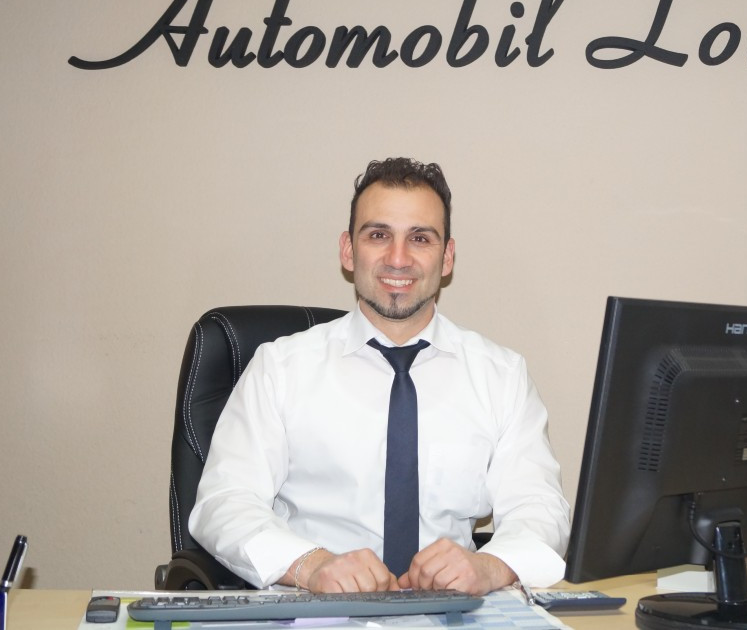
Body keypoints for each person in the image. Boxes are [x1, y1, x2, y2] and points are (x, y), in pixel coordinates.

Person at [189, 158, 570, 595]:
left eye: (420, 238)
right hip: (314, 608)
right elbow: (223, 503)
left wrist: (491, 566)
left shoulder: (501, 377)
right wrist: (311, 566)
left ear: (447, 257)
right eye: (378, 235)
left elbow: (540, 508)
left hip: (452, 612)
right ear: (348, 251)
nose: (398, 258)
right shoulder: (280, 368)